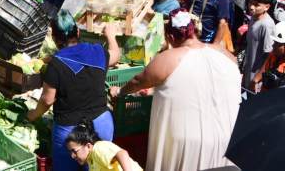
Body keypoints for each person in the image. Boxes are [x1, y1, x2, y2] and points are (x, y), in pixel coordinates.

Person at [114, 9, 240, 171]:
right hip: (225, 139)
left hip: (185, 143)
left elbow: (138, 81)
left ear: (171, 37)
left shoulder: (170, 58)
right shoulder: (226, 55)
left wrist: (120, 91)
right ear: (194, 31)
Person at [27, 14, 120, 171]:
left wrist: (33, 115)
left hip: (70, 131)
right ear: (77, 32)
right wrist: (111, 35)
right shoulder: (97, 51)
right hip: (101, 123)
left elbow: (47, 100)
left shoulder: (56, 64)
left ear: (55, 39)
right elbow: (115, 56)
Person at [65, 121, 143, 171]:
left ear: (88, 146)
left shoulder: (99, 148)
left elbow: (122, 154)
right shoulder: (90, 160)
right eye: (70, 152)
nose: (72, 156)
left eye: (74, 151)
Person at [242, 0, 275, 90]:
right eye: (250, 3)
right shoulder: (254, 17)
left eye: (256, 5)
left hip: (256, 76)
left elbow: (269, 54)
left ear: (267, 7)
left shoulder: (266, 25)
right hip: (248, 69)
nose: (251, 7)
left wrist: (257, 78)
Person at [252, 22, 285, 91]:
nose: (273, 46)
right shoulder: (272, 55)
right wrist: (254, 82)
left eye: (278, 44)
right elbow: (261, 73)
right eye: (274, 42)